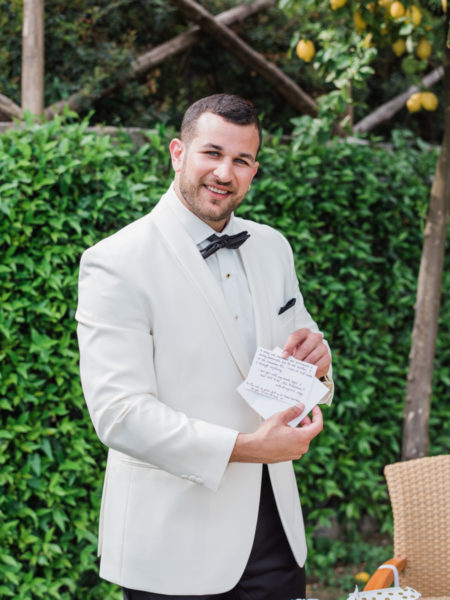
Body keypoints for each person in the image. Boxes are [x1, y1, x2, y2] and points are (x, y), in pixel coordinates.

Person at [76, 93, 334, 600]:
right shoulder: (115, 262)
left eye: (241, 160)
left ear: (254, 170)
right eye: (211, 153)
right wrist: (248, 448)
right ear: (178, 152)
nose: (224, 172)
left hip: (276, 539)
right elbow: (120, 414)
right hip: (173, 544)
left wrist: (319, 365)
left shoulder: (273, 247)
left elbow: (303, 351)